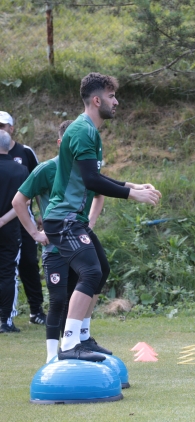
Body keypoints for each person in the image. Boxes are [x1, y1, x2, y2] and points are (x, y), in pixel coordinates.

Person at [42, 73, 161, 361]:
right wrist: (133, 195)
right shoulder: (83, 131)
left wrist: (131, 185)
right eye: (111, 96)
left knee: (101, 269)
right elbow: (93, 182)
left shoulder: (90, 131)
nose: (116, 101)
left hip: (73, 219)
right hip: (63, 219)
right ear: (97, 100)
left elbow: (93, 176)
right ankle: (70, 344)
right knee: (91, 271)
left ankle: (82, 337)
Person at [13, 120, 105, 362]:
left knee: (84, 287)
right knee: (58, 301)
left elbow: (99, 194)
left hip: (77, 241)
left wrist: (90, 223)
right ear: (60, 144)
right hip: (54, 247)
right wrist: (35, 233)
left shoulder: (82, 169)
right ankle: (52, 358)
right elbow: (18, 201)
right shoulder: (46, 169)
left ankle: (76, 343)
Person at [0, 111, 45, 326]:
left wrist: (42, 215)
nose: (0, 129)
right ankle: (6, 315)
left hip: (23, 219)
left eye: (3, 126)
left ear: (11, 128)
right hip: (7, 221)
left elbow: (37, 185)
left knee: (28, 262)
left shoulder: (25, 153)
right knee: (8, 268)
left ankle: (36, 310)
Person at [0, 129, 28, 333]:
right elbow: (23, 203)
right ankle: (5, 321)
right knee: (8, 273)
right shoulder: (21, 171)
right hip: (10, 229)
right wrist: (3, 220)